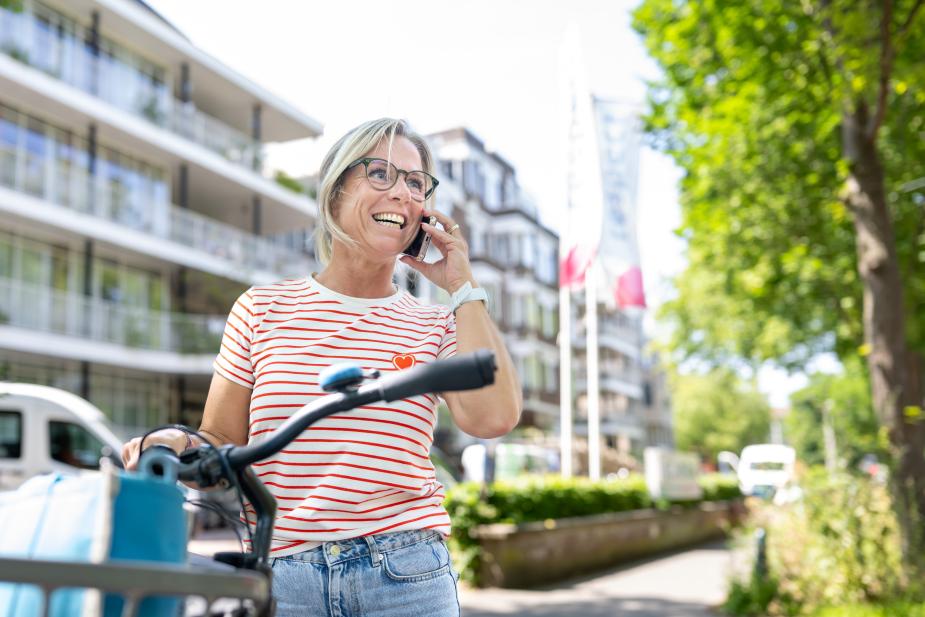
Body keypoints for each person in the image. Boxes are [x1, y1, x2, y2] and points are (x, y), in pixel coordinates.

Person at [122, 118, 522, 616]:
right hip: (282, 576)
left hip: (405, 575)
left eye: (415, 182)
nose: (402, 192)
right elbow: (221, 440)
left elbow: (493, 419)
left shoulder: (437, 323)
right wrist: (175, 444)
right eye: (381, 173)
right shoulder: (261, 309)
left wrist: (463, 285)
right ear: (335, 192)